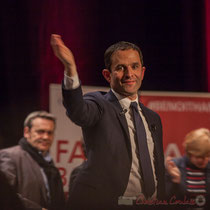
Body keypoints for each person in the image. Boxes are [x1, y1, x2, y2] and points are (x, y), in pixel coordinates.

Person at [51, 34, 165, 210]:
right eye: (120, 68)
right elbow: (78, 112)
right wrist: (70, 68)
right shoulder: (99, 103)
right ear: (107, 75)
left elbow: (157, 169)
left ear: (142, 71)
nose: (129, 74)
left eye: (134, 67)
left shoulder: (152, 118)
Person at [0, 111, 65, 210]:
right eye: (40, 131)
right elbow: (5, 194)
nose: (46, 137)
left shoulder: (49, 164)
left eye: (50, 133)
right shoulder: (9, 156)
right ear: (26, 132)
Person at [165, 128, 210, 209]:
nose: (205, 160)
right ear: (190, 152)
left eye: (208, 156)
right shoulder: (175, 167)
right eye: (200, 156)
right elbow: (165, 202)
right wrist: (175, 182)